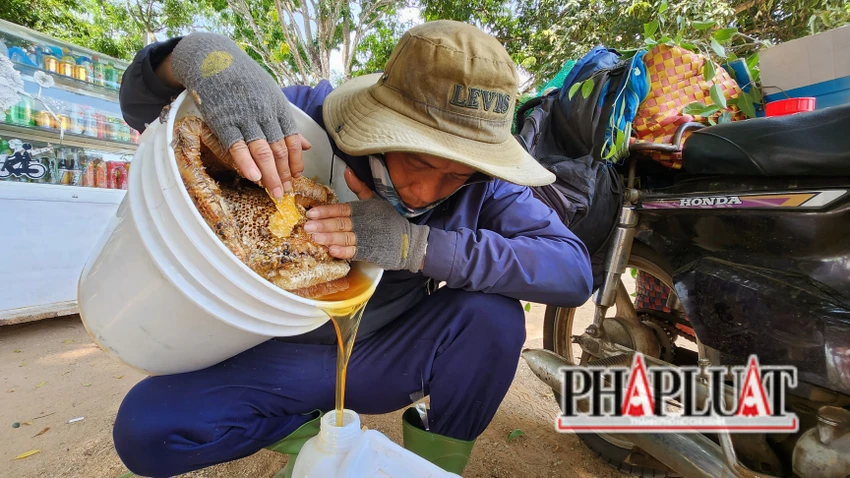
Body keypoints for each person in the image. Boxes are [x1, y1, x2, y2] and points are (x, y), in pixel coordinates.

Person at [113, 20, 593, 477]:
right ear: (381, 123)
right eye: (419, 160)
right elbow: (149, 116)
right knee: (145, 430)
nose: (427, 192)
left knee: (494, 320)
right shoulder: (301, 122)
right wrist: (196, 58)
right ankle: (315, 445)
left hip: (381, 356)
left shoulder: (485, 187)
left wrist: (418, 246)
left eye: (456, 173)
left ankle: (431, 468)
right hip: (271, 352)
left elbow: (571, 271)